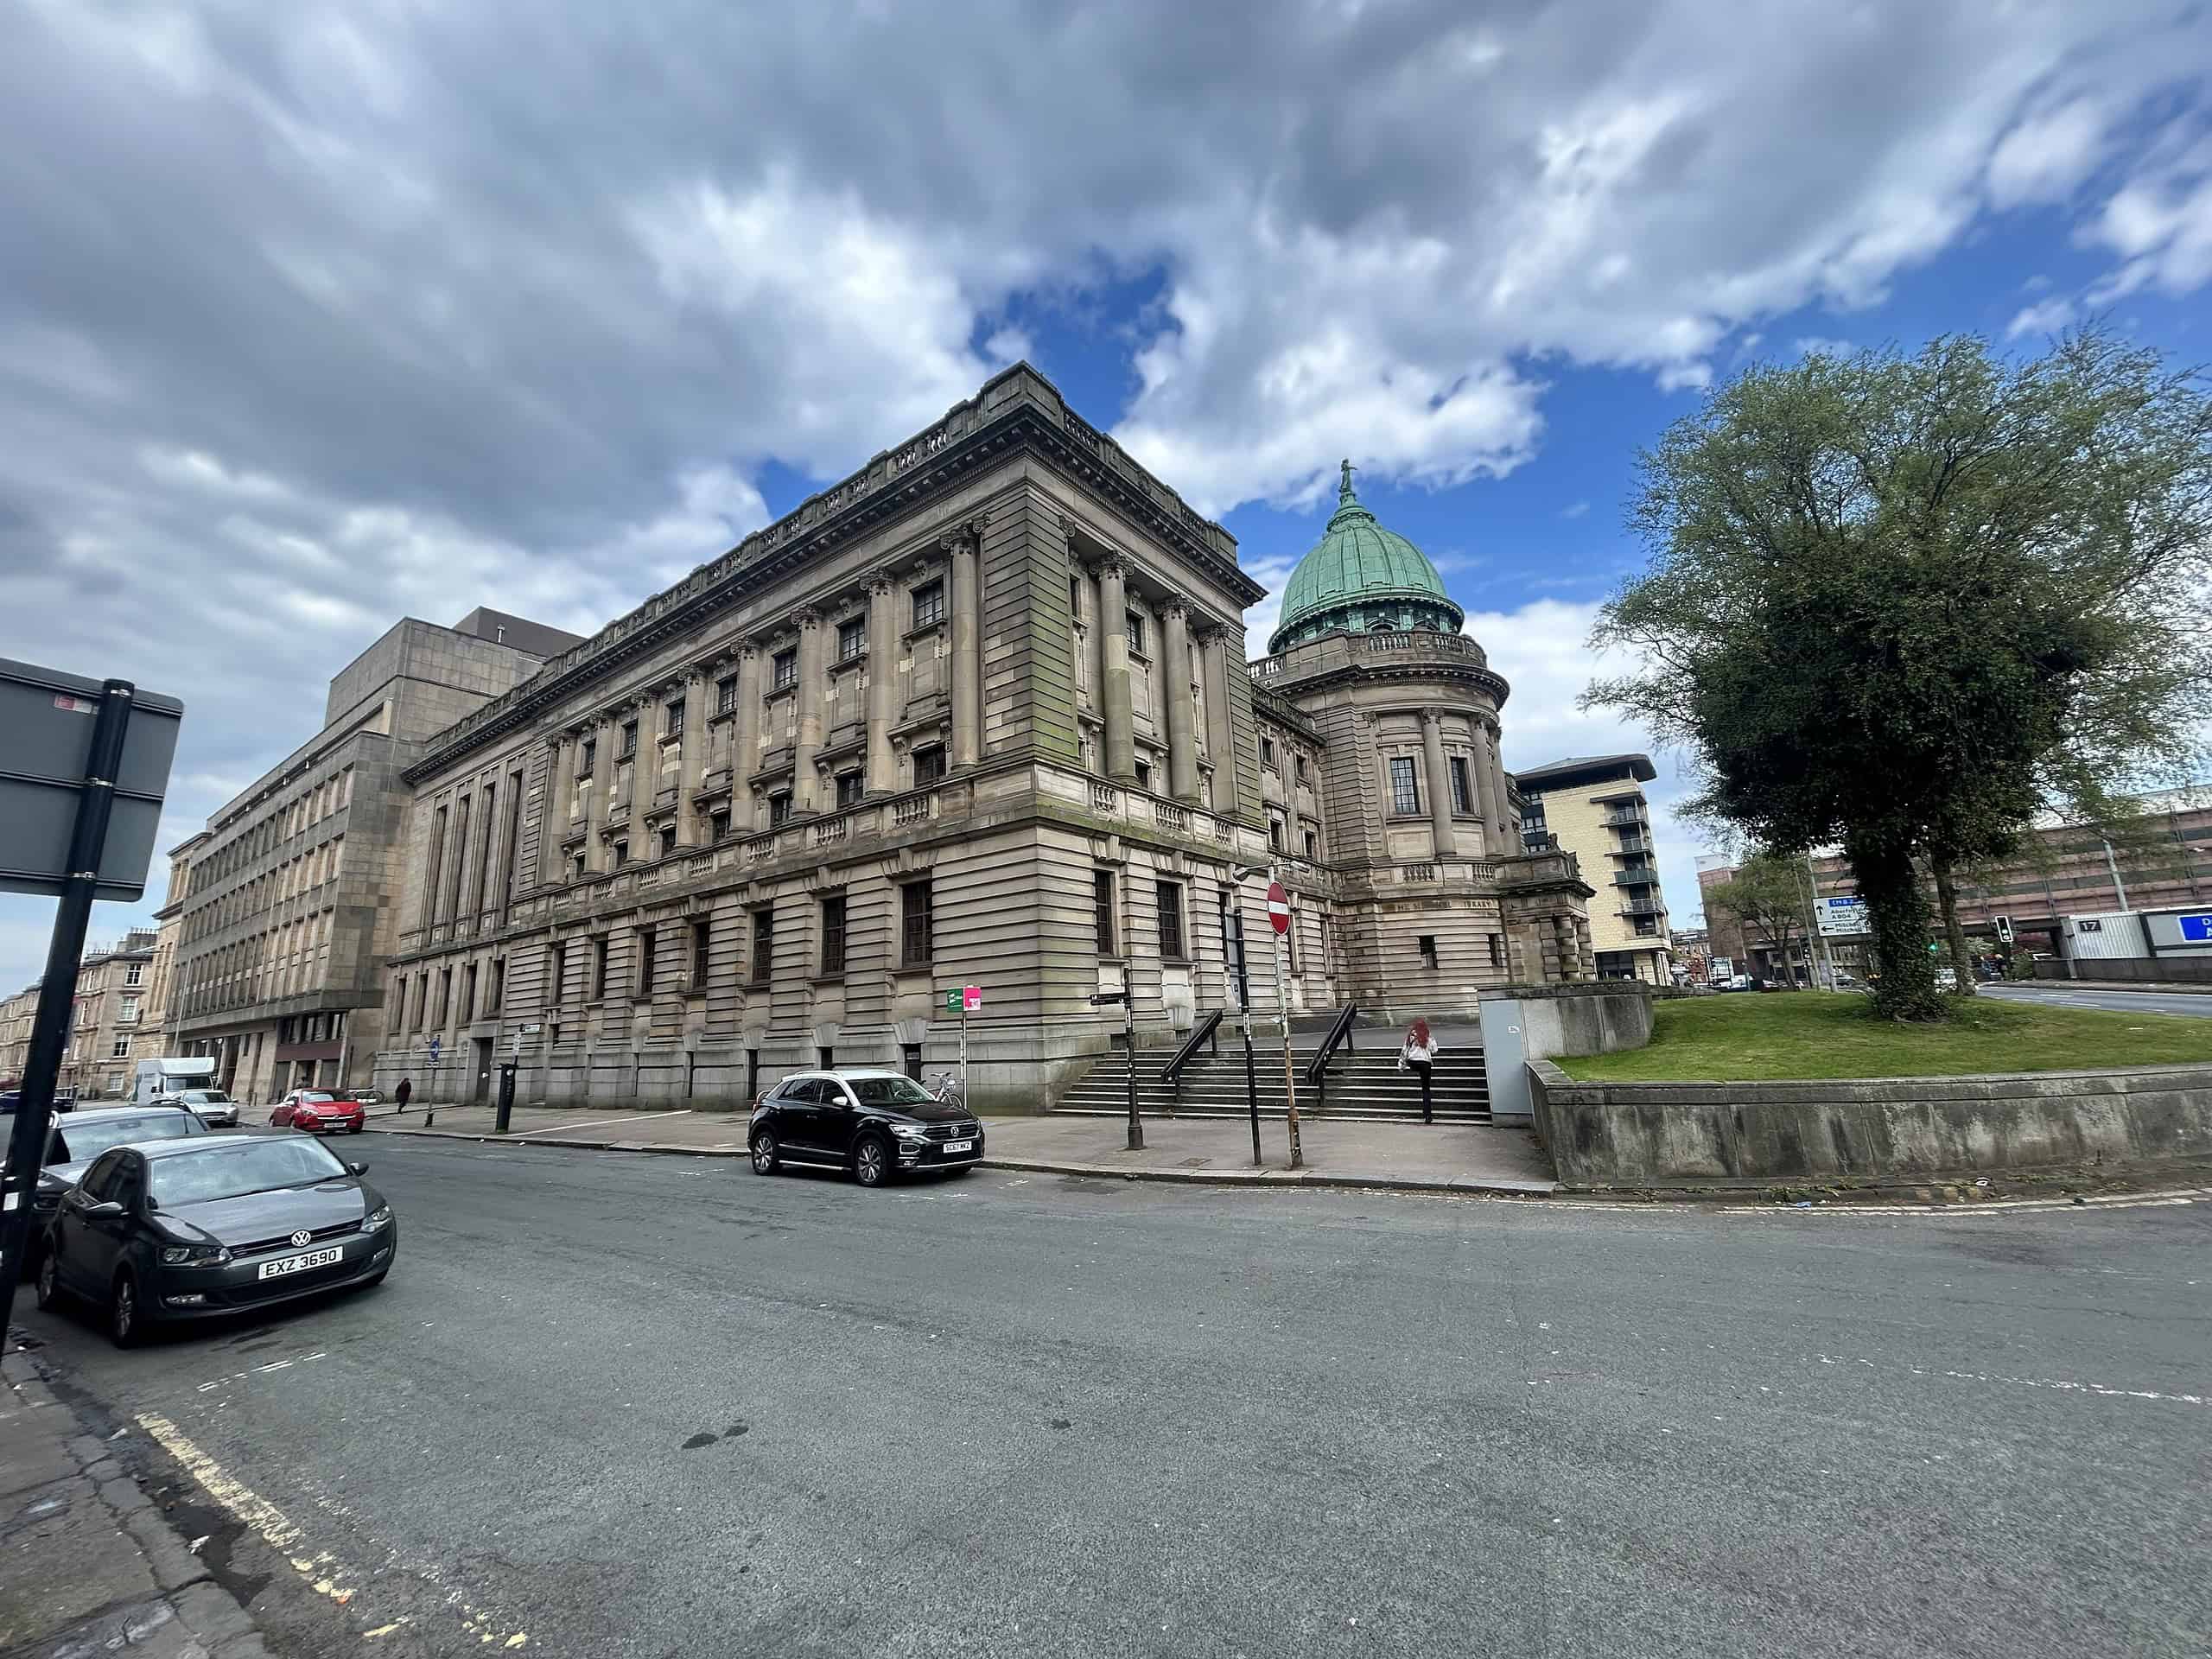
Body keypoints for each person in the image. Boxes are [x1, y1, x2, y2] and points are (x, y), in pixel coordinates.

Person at [1400, 1018, 1439, 1123]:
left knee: (1414, 1064)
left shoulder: (1411, 1035)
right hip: (1425, 1063)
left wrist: (1402, 1065)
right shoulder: (1428, 1035)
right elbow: (1435, 1050)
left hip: (1413, 1062)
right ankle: (1428, 1116)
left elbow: (1405, 1050)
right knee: (1426, 1089)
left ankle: (1413, 1069)